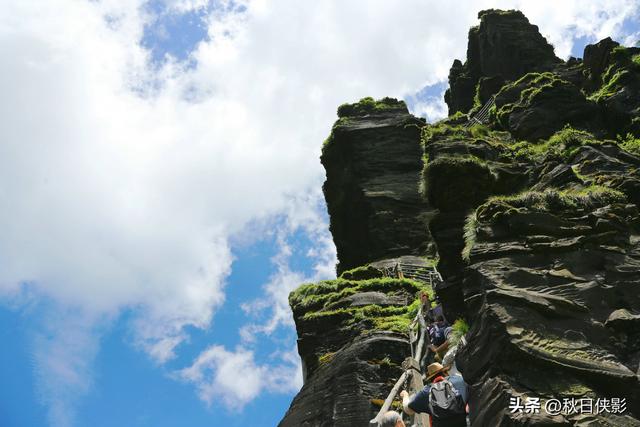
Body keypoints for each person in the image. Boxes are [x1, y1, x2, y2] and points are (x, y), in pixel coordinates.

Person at [400, 363, 468, 427]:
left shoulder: (426, 392)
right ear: (445, 372)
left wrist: (405, 395)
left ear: (430, 379)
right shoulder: (459, 380)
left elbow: (408, 409)